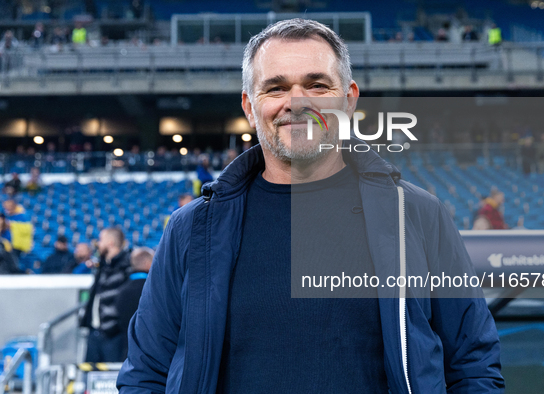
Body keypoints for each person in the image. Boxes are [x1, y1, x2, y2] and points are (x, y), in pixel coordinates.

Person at [118, 19, 504, 393]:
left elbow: (472, 363)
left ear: (349, 99)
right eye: (275, 88)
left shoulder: (418, 215)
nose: (296, 102)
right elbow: (147, 371)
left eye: (317, 85)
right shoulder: (192, 229)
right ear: (250, 107)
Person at [82, 227, 130, 362]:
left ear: (110, 243)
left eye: (101, 240)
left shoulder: (126, 267)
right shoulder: (103, 266)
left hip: (114, 335)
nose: (98, 244)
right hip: (95, 333)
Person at [115, 247, 154, 360]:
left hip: (126, 352)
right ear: (147, 263)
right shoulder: (154, 290)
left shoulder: (121, 290)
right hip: (150, 354)